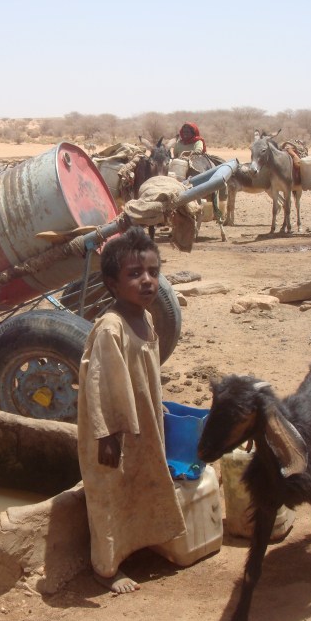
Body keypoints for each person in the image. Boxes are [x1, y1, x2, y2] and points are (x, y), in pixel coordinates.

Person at [77, 226, 186, 594]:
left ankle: (136, 547)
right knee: (110, 492)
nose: (147, 281)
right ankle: (105, 568)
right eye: (134, 274)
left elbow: (146, 374)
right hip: (113, 432)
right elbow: (101, 387)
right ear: (111, 283)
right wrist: (107, 434)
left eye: (153, 272)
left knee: (138, 482)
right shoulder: (111, 328)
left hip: (141, 425)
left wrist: (159, 410)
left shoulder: (146, 318)